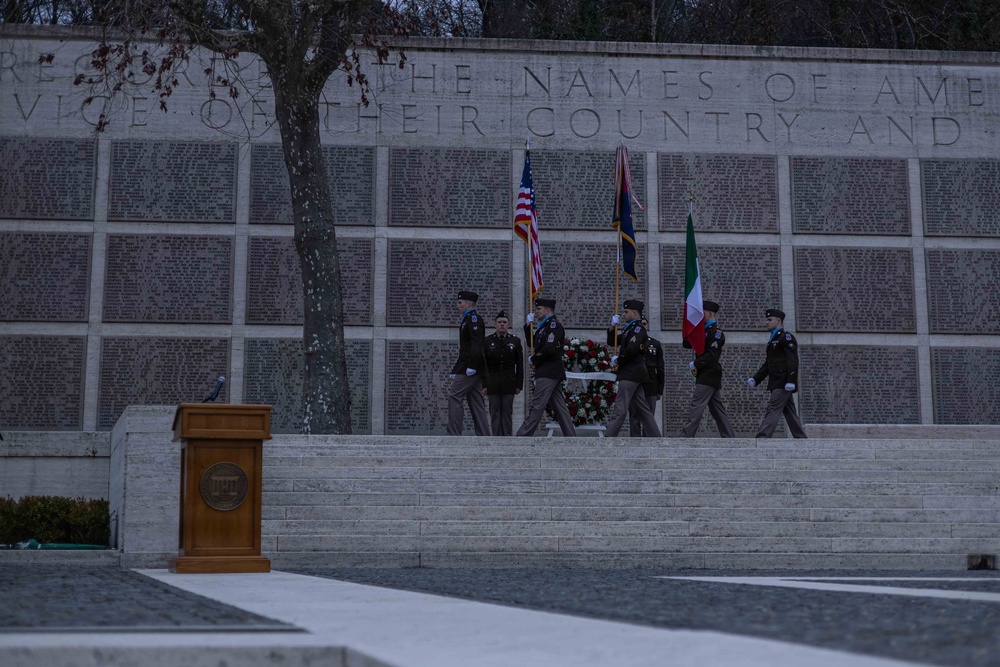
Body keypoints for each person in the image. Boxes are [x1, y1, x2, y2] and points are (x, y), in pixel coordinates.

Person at [515, 297, 577, 437]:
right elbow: (532, 344)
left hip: (548, 371)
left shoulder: (553, 326)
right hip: (548, 371)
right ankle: (571, 437)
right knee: (560, 407)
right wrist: (527, 326)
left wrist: (535, 358)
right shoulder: (543, 327)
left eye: (538, 309)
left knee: (537, 405)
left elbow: (550, 348)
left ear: (547, 310)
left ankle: (522, 436)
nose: (536, 312)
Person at [747, 308, 808, 439]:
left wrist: (791, 380)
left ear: (778, 321)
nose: (766, 322)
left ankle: (762, 437)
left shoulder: (786, 337)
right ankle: (801, 438)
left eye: (769, 320)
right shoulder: (773, 339)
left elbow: (793, 360)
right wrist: (756, 379)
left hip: (783, 382)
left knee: (773, 408)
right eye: (766, 320)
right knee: (789, 411)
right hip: (777, 382)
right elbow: (768, 364)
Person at [604, 300, 661, 437]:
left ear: (634, 313)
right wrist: (612, 328)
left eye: (626, 312)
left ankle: (608, 438)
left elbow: (632, 349)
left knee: (620, 408)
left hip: (631, 373)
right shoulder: (629, 329)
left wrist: (619, 359)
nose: (624, 314)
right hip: (635, 374)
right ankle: (656, 438)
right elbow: (613, 342)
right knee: (643, 409)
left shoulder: (638, 329)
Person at [681, 300, 736, 438]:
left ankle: (686, 436)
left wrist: (696, 363)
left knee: (696, 405)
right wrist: (689, 326)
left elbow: (712, 355)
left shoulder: (716, 333)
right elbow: (687, 344)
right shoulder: (702, 330)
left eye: (702, 313)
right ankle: (729, 437)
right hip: (706, 373)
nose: (700, 316)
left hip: (709, 373)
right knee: (717, 409)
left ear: (710, 313)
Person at [446, 290, 490, 436]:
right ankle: (484, 435)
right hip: (468, 366)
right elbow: (465, 348)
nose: (457, 305)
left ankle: (453, 434)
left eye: (460, 303)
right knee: (476, 400)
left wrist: (471, 366)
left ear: (469, 304)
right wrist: (455, 369)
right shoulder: (467, 319)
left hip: (470, 366)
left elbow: (477, 344)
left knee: (455, 396)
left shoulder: (473, 319)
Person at [483, 310, 524, 436]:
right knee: (494, 412)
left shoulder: (515, 341)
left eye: (504, 322)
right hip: (493, 382)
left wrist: (518, 385)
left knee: (507, 412)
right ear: (495, 324)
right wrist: (484, 385)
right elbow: (484, 365)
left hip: (509, 382)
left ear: (508, 325)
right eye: (499, 322)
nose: (502, 324)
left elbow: (520, 365)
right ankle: (496, 438)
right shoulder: (487, 341)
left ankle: (507, 437)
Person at [630, 318, 664, 436]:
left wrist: (660, 390)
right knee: (634, 417)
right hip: (636, 383)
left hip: (651, 384)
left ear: (648, 326)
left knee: (649, 417)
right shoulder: (631, 342)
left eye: (644, 324)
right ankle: (634, 443)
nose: (642, 326)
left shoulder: (655, 344)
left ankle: (648, 443)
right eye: (640, 324)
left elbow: (660, 368)